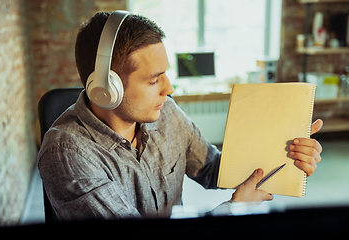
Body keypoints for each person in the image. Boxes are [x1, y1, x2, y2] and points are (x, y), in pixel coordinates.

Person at [38, 11, 323, 221]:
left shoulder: (166, 113)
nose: (169, 89)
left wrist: (287, 156)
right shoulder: (67, 153)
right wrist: (235, 208)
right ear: (106, 89)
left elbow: (214, 170)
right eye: (154, 80)